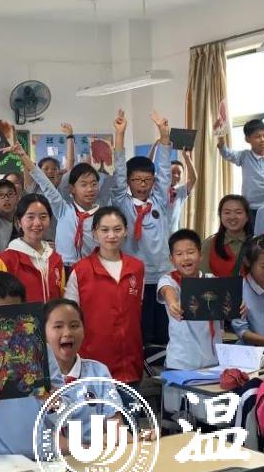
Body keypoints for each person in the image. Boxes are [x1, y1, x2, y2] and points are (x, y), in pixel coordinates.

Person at [0, 279, 117, 457]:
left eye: (12, 314)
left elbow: (65, 419)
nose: (5, 325)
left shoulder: (43, 353)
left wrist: (53, 403)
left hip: (44, 461)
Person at [111, 109, 173, 346]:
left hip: (162, 275)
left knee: (164, 331)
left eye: (147, 180)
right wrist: (120, 135)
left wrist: (164, 137)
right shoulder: (122, 203)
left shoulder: (160, 202)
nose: (142, 185)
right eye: (137, 180)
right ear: (129, 181)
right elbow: (118, 173)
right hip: (134, 277)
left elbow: (165, 172)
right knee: (140, 330)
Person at [64, 207, 146, 384]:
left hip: (131, 366)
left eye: (117, 229)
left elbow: (136, 311)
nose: (111, 235)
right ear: (94, 233)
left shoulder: (137, 268)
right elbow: (69, 318)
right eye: (105, 230)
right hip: (93, 368)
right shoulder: (81, 270)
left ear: (126, 231)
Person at [15, 142, 111, 270]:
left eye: (94, 184)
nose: (90, 189)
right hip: (64, 268)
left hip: (91, 268)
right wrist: (23, 155)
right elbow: (45, 183)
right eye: (84, 184)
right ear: (72, 189)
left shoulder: (103, 216)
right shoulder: (63, 209)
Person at [160, 229, 222, 370]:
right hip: (180, 363)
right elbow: (167, 290)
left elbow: (228, 301)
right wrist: (172, 303)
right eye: (179, 254)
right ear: (171, 259)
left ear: (200, 255)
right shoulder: (169, 280)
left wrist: (239, 305)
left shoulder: (212, 281)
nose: (186, 258)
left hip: (213, 362)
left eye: (191, 252)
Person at [0, 194, 65, 302]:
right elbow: (1, 302)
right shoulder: (7, 260)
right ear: (19, 222)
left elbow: (62, 298)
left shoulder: (56, 259)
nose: (37, 223)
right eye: (30, 217)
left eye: (43, 217)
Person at [216, 117, 264, 220]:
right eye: (258, 136)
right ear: (247, 139)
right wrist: (220, 135)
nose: (262, 139)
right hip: (251, 207)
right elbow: (226, 153)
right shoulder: (244, 156)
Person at [200, 194, 251, 277]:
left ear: (247, 216)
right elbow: (203, 277)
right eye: (227, 212)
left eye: (238, 212)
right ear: (220, 216)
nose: (232, 217)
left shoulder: (256, 244)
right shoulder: (209, 244)